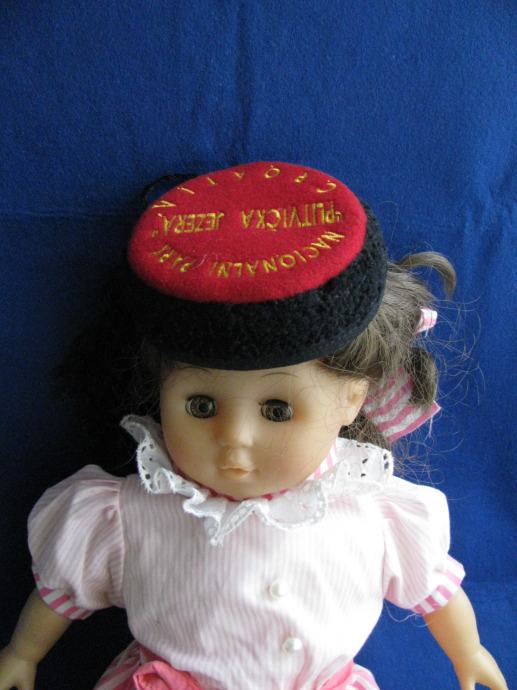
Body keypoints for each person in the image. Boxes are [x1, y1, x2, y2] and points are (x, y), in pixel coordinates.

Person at [0, 161, 508, 690]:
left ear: (352, 400)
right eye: (201, 405)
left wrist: (468, 651)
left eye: (277, 410)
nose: (234, 439)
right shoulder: (125, 514)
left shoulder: (377, 513)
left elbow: (437, 594)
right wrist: (23, 652)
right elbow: (63, 592)